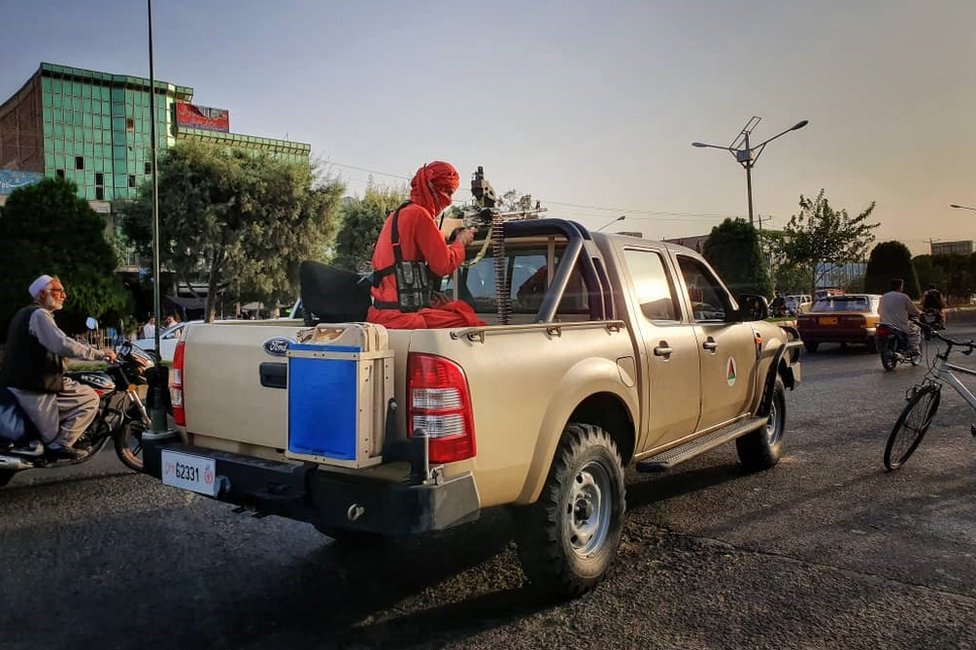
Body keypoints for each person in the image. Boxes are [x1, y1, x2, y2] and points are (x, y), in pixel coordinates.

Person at [0, 275, 117, 459]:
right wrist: (100, 353)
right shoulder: (39, 315)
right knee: (89, 398)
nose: (64, 295)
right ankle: (60, 444)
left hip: (23, 383)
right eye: (59, 291)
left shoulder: (24, 313)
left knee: (75, 391)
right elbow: (63, 344)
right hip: (34, 386)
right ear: (42, 293)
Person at [367, 161, 486, 329]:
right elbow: (443, 265)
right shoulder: (420, 215)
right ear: (431, 187)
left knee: (454, 308)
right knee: (472, 325)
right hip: (404, 318)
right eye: (447, 192)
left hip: (380, 314)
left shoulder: (397, 214)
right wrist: (461, 241)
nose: (450, 201)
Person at [879, 277, 921, 363]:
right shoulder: (903, 297)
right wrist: (920, 313)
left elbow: (878, 311)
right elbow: (913, 310)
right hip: (899, 325)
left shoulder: (883, 296)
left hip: (885, 324)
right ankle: (914, 349)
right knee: (916, 329)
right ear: (900, 287)